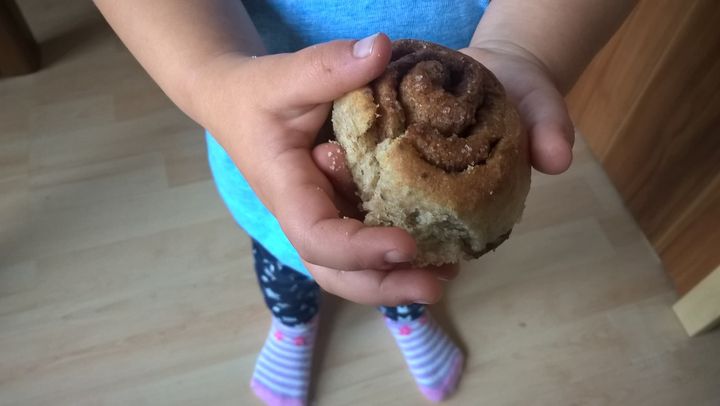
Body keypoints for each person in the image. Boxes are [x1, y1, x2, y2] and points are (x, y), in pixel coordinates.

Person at [93, 1, 636, 404]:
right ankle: (293, 324)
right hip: (261, 148)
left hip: (476, 100)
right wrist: (210, 75)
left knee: (408, 266)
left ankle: (403, 317)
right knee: (284, 261)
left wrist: (527, 47)